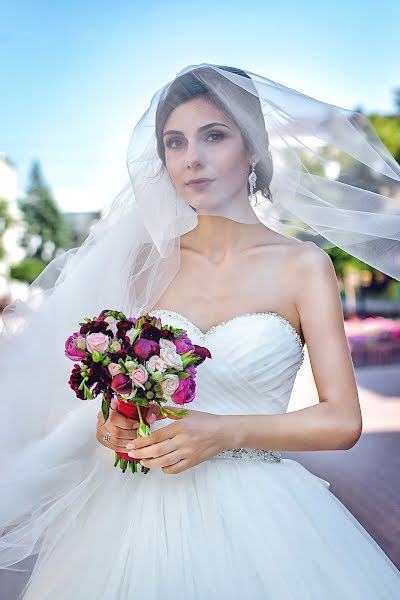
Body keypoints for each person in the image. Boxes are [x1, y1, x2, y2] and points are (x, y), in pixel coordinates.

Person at [1, 63, 400, 599]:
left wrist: (224, 431)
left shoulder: (303, 266)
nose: (193, 157)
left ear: (253, 149)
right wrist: (114, 424)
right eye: (175, 142)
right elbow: (113, 401)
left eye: (214, 135)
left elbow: (343, 420)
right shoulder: (143, 264)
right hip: (129, 523)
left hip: (264, 520)